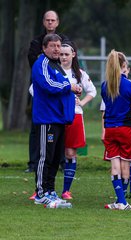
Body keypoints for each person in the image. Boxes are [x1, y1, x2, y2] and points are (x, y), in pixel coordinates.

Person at [32, 33, 81, 208]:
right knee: (45, 157)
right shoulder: (42, 64)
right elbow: (48, 85)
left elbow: (63, 87)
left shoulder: (56, 65)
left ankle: (51, 191)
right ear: (44, 48)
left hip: (59, 119)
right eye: (52, 46)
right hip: (47, 118)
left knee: (55, 157)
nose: (56, 49)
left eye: (58, 46)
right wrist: (70, 86)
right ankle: (40, 193)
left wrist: (74, 89)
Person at [102, 50, 131, 210]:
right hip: (126, 128)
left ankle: (120, 200)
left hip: (110, 128)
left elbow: (106, 103)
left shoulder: (105, 84)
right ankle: (123, 202)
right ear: (124, 66)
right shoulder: (130, 85)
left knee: (114, 163)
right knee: (126, 164)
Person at [60, 42, 97, 200]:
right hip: (55, 116)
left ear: (73, 55)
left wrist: (81, 103)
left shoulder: (79, 73)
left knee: (70, 153)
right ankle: (43, 189)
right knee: (51, 153)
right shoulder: (52, 71)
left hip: (75, 116)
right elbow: (34, 89)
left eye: (66, 54)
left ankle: (66, 190)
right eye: (61, 54)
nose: (63, 57)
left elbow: (92, 91)